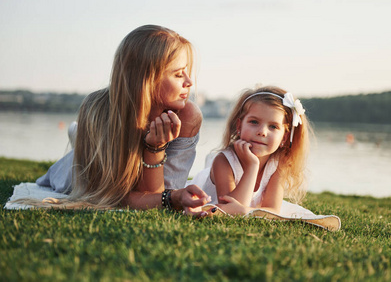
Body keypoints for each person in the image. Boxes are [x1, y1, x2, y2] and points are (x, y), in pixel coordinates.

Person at [34, 25, 210, 215]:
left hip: (114, 159)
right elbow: (109, 196)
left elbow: (159, 196)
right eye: (178, 74)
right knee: (65, 177)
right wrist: (169, 192)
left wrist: (155, 148)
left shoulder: (186, 117)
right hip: (80, 168)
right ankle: (79, 139)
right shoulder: (96, 110)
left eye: (186, 71)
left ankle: (78, 136)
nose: (189, 81)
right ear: (146, 79)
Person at [186, 86, 316, 217]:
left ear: (284, 137)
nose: (262, 132)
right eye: (254, 122)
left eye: (273, 126)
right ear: (239, 126)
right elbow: (229, 207)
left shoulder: (278, 166)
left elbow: (272, 210)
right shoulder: (223, 160)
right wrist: (252, 167)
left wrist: (246, 211)